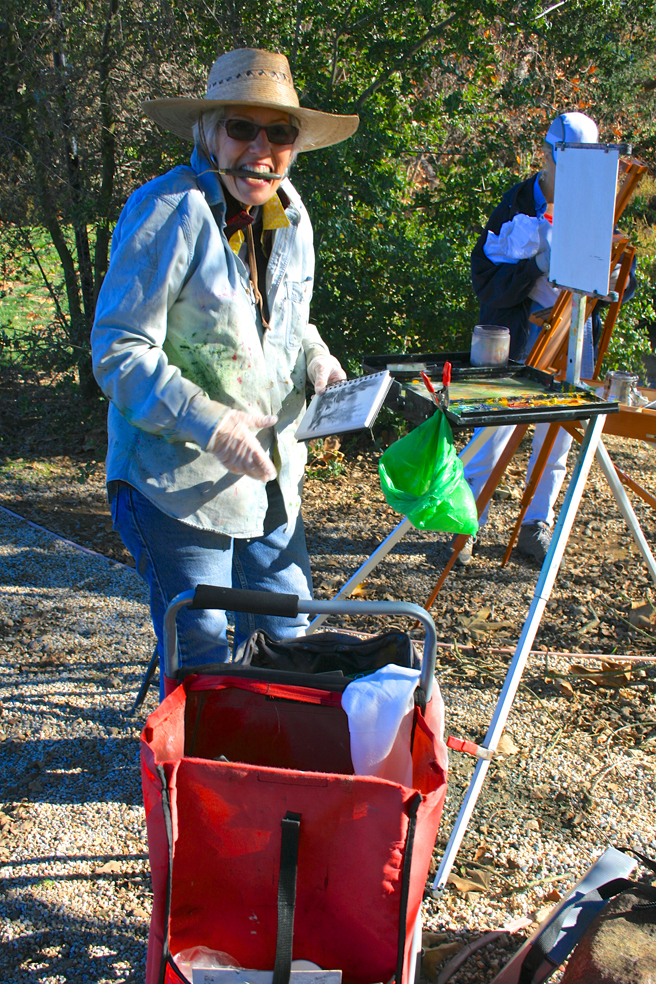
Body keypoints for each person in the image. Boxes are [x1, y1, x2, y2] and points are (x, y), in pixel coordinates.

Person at [91, 48, 358, 694]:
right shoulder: (169, 211)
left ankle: (273, 750)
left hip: (269, 479)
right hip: (174, 484)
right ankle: (197, 759)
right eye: (242, 128)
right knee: (204, 653)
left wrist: (318, 360)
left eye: (280, 133)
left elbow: (287, 321)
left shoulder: (291, 214)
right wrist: (211, 424)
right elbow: (119, 350)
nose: (260, 150)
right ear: (208, 133)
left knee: (290, 637)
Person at [457, 111, 635, 565]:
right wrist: (536, 265)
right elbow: (486, 283)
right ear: (547, 155)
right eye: (567, 162)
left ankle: (536, 522)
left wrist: (612, 275)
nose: (574, 175)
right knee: (491, 430)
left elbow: (622, 276)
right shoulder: (516, 204)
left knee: (556, 435)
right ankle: (465, 521)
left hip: (572, 334)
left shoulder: (595, 201)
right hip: (516, 337)